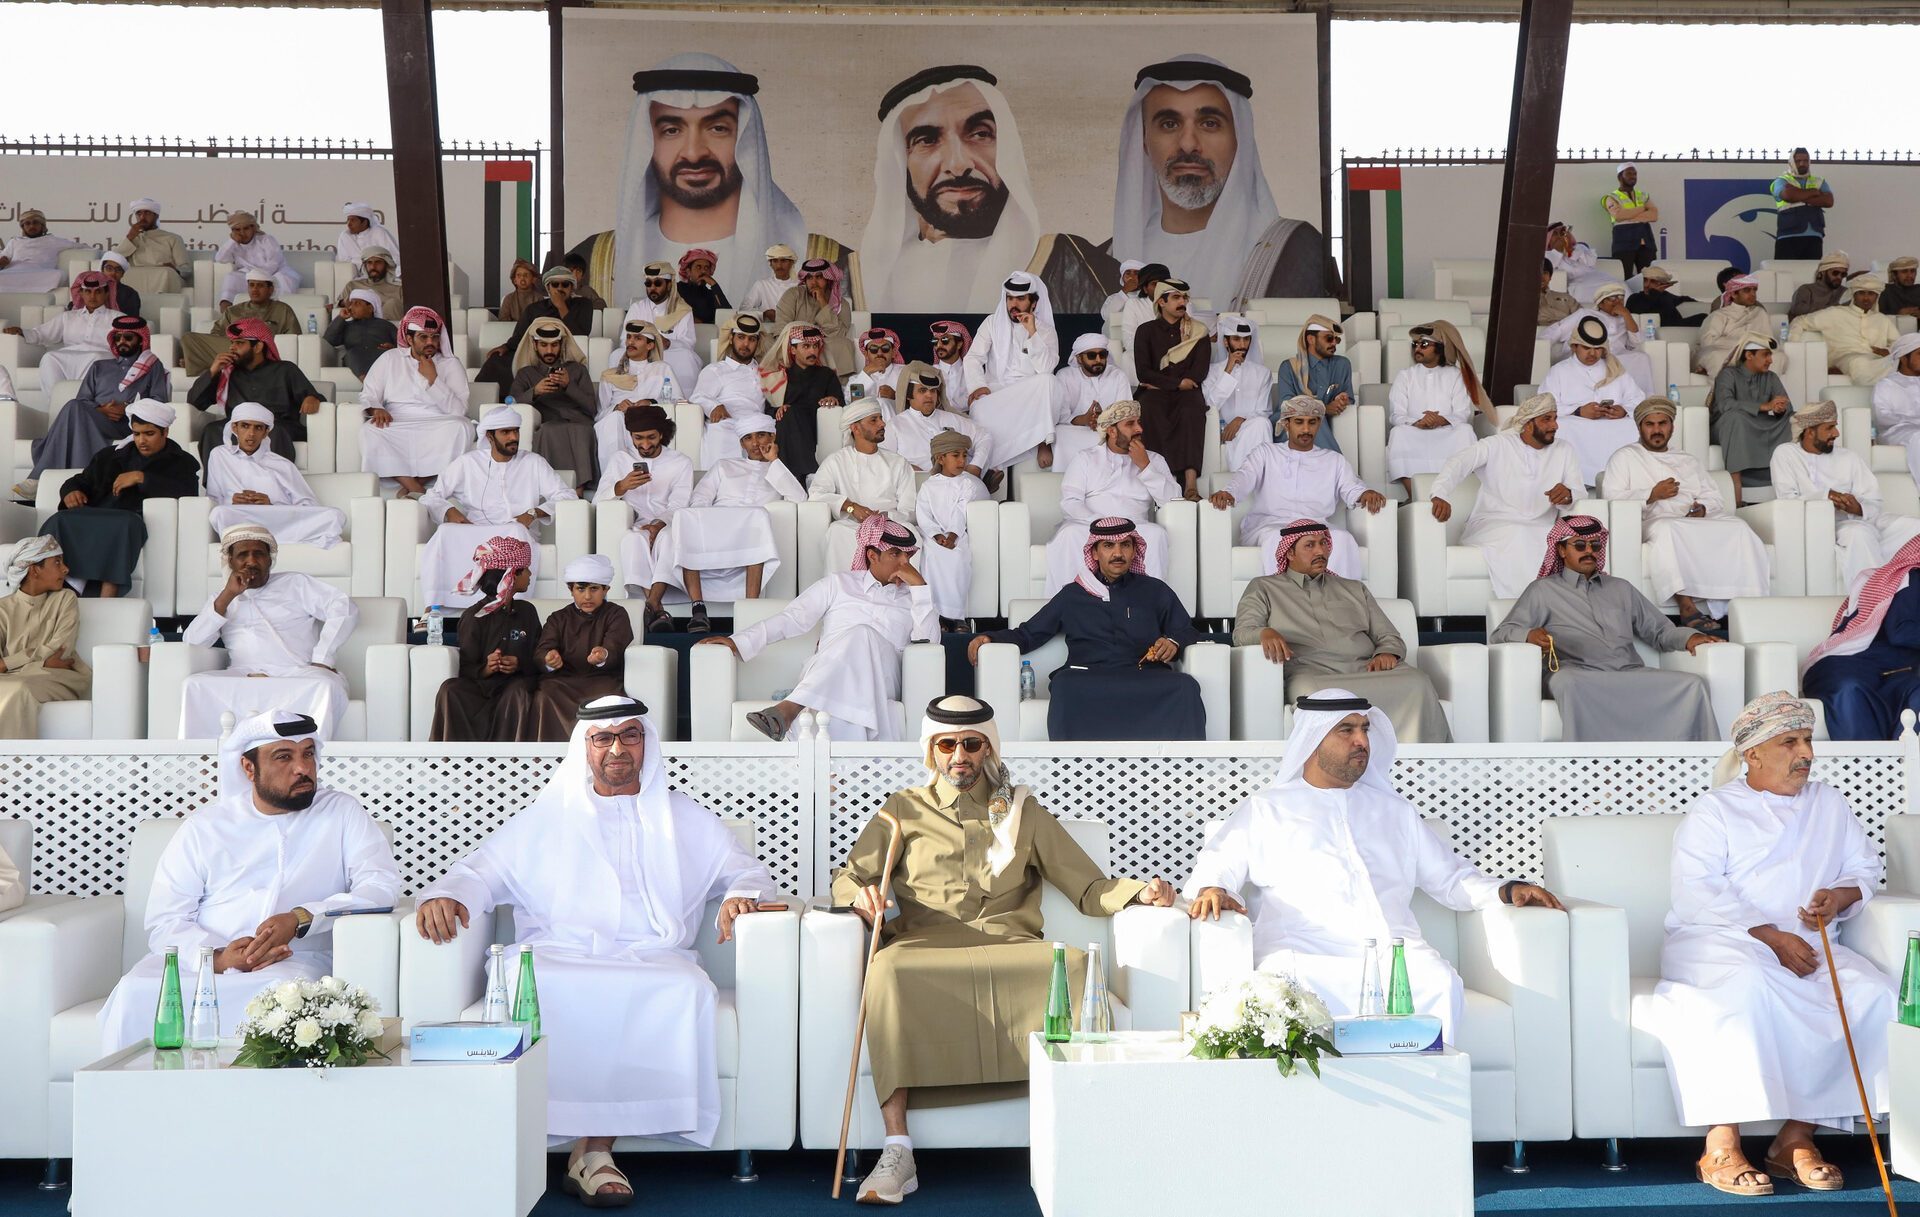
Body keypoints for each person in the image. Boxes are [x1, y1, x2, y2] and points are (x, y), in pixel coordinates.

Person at [415, 694, 779, 1204]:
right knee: (542, 984)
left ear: (646, 743)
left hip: (653, 957)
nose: (617, 749)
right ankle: (583, 1150)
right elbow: (478, 873)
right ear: (584, 748)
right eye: (603, 738)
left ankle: (592, 1149)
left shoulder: (684, 816)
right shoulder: (547, 816)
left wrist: (743, 895)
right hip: (558, 953)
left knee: (683, 988)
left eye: (630, 736)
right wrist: (448, 895)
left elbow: (748, 872)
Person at [831, 694, 1177, 1203]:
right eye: (947, 745)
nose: (959, 756)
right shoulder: (903, 809)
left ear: (989, 748)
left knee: (1073, 966)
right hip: (923, 946)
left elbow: (1087, 887)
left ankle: (1092, 1131)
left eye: (971, 744)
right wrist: (859, 896)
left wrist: (1140, 892)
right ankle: (898, 1148)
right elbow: (849, 876)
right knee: (887, 971)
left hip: (1011, 944)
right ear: (931, 750)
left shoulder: (1022, 811)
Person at [1186, 690, 1556, 1033]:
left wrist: (1507, 890)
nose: (1361, 741)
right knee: (1288, 986)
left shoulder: (1395, 812)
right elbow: (1219, 862)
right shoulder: (1268, 809)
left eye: (1364, 729)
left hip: (1392, 955)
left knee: (1438, 981)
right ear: (1313, 739)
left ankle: (1427, 1082)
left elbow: (1450, 879)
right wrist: (1213, 887)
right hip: (1305, 953)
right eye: (1346, 730)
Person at [1646, 692, 1889, 1196]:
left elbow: (1863, 868)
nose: (1806, 754)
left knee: (1874, 993)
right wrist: (1771, 936)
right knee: (1746, 985)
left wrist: (1838, 897)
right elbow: (1696, 890)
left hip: (1809, 941)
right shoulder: (1715, 809)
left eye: (1808, 740)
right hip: (1719, 939)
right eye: (1790, 743)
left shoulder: (1829, 803)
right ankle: (1721, 1142)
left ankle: (1796, 1137)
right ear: (1752, 753)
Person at [96, 710, 401, 1055]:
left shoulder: (341, 812)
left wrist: (301, 918)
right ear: (248, 768)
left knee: (281, 995)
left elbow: (380, 888)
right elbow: (165, 920)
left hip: (294, 960)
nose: (302, 768)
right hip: (201, 963)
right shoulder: (205, 827)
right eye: (284, 757)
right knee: (134, 991)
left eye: (308, 754)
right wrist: (218, 958)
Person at [1109, 54, 1333, 306]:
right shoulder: (1106, 259)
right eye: (1169, 124)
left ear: (1239, 139)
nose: (1188, 144)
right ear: (1144, 141)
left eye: (1209, 123)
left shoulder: (1290, 249)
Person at [589, 52, 809, 305]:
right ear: (648, 142)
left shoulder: (813, 251)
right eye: (671, 130)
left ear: (744, 140)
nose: (694, 154)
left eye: (718, 129)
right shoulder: (597, 256)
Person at [699, 513, 936, 741]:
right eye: (896, 554)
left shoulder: (913, 598)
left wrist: (920, 589)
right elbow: (792, 618)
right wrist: (739, 641)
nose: (905, 563)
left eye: (908, 555)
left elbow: (930, 644)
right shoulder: (839, 584)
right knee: (848, 675)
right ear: (872, 555)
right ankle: (841, 768)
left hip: (882, 678)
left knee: (862, 634)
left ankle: (790, 707)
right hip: (826, 670)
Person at [1488, 515, 1720, 741]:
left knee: (1693, 684)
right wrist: (1528, 635)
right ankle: (1589, 763)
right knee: (1568, 683)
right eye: (1580, 545)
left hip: (1627, 671)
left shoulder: (1621, 588)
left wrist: (1690, 638)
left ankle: (1697, 762)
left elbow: (1660, 631)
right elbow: (1501, 633)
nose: (1589, 551)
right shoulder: (1542, 590)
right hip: (1577, 672)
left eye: (1595, 545)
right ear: (1561, 550)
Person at [975, 516, 1204, 740]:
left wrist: (1173, 642)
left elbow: (1187, 630)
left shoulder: (1155, 591)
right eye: (1108, 546)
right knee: (1065, 686)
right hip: (1088, 677)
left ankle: (1183, 765)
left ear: (1135, 550)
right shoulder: (1072, 595)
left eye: (1125, 545)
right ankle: (1073, 765)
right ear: (1094, 552)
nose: (1118, 553)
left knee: (1185, 686)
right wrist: (990, 637)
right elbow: (1029, 634)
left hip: (1144, 675)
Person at [1233, 528, 1449, 742]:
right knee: (1311, 694)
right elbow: (1242, 632)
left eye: (1323, 543)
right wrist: (1264, 633)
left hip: (1366, 669)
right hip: (1313, 672)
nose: (1320, 551)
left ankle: (1421, 760)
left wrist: (1387, 653)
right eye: (1310, 545)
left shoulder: (1354, 589)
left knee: (1418, 682)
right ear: (1289, 553)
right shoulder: (1265, 587)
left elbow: (1388, 635)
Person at [860, 66, 1046, 313]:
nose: (959, 165)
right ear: (900, 163)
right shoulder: (850, 282)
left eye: (980, 134)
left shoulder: (1068, 266)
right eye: (927, 140)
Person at [1601, 398, 1770, 629]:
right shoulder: (1625, 457)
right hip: (1654, 520)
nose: (1657, 430)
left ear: (1672, 426)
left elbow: (1714, 497)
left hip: (1695, 520)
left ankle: (1749, 607)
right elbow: (1611, 497)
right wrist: (1651, 494)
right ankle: (1687, 607)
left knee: (1739, 527)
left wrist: (1703, 508)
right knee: (1669, 529)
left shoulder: (1688, 460)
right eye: (1650, 424)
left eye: (1663, 423)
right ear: (1639, 427)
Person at [178, 525, 357, 739]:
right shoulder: (222, 598)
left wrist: (323, 658)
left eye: (259, 554)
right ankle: (202, 756)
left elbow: (344, 607)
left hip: (296, 674)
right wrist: (228, 595)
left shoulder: (295, 583)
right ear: (230, 561)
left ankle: (307, 753)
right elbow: (192, 642)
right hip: (243, 674)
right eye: (243, 555)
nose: (251, 561)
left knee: (325, 685)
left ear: (270, 559)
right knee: (194, 685)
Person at [1208, 395, 1384, 580]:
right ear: (1286, 424)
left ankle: (1338, 597)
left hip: (1317, 526)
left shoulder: (1334, 460)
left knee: (1342, 538)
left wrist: (1365, 493)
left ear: (1319, 424)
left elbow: (1352, 487)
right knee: (1278, 538)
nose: (1306, 429)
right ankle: (1284, 597)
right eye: (1299, 422)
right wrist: (1229, 493)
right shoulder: (1266, 453)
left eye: (1312, 422)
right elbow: (1244, 477)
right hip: (1271, 524)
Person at [418, 408, 578, 610]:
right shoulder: (468, 463)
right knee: (444, 531)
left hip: (515, 531)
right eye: (506, 432)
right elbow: (431, 496)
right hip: (476, 532)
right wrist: (449, 511)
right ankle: (435, 607)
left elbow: (567, 495)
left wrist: (533, 513)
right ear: (490, 436)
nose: (514, 437)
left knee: (516, 530)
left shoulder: (533, 462)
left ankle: (509, 606)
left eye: (516, 431)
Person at [1429, 393, 1585, 600]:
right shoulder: (1497, 444)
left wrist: (1568, 495)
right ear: (1528, 424)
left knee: (1553, 540)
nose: (1555, 425)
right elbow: (1458, 463)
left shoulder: (1564, 449)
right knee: (1519, 533)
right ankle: (1525, 605)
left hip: (1543, 525)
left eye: (1555, 418)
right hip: (1494, 524)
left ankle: (1550, 606)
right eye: (1546, 419)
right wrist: (1439, 493)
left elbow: (1579, 491)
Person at [43, 400, 199, 597]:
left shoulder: (182, 461)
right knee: (60, 520)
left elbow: (187, 492)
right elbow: (81, 480)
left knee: (123, 523)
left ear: (165, 432)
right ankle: (49, 588)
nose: (142, 440)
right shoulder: (111, 455)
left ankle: (106, 597)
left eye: (149, 434)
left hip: (132, 518)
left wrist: (142, 478)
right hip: (97, 513)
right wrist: (70, 491)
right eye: (137, 434)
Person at [664, 416, 805, 619]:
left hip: (751, 530)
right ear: (741, 443)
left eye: (761, 435)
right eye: (748, 438)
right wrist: (706, 521)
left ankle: (751, 607)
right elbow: (700, 498)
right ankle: (698, 608)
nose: (755, 443)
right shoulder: (724, 465)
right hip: (716, 525)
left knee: (756, 516)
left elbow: (799, 498)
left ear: (772, 437)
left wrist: (774, 461)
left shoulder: (779, 470)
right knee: (683, 516)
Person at [17, 316, 169, 500]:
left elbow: (159, 400)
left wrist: (127, 408)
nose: (122, 341)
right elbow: (83, 399)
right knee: (74, 407)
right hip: (97, 417)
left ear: (140, 339)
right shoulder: (99, 367)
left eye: (128, 337)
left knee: (74, 410)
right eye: (117, 337)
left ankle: (38, 478)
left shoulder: (153, 367)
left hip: (129, 424)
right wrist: (101, 410)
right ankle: (78, 484)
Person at [1773, 400, 1920, 591]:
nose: (1836, 433)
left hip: (1863, 519)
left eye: (1835, 426)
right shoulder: (1786, 454)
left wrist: (1857, 507)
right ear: (1809, 432)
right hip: (1827, 527)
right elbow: (1787, 500)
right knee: (1859, 534)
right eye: (1829, 428)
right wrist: (1827, 496)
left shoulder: (1848, 457)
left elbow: (1873, 499)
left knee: (1914, 527)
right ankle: (1873, 595)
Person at [1046, 400, 1180, 595]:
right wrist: (1100, 524)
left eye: (1139, 422)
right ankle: (1067, 604)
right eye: (1130, 424)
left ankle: (1148, 606)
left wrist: (1146, 467)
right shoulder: (1085, 458)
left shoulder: (1154, 460)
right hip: (1090, 526)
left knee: (1155, 534)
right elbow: (1070, 502)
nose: (1139, 429)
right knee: (1069, 534)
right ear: (1112, 431)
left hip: (1135, 528)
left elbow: (1174, 501)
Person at [1803, 536, 1920, 739]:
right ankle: (1870, 762)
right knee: (1850, 690)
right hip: (1847, 667)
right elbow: (1900, 631)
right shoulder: (1913, 577)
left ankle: (1903, 760)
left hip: (1895, 677)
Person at [429, 536, 542, 742]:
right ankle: (452, 758)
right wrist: (487, 668)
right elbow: (466, 666)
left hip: (515, 685)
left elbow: (538, 656)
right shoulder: (473, 616)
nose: (530, 574)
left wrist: (518, 664)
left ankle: (509, 758)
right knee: (450, 689)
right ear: (512, 575)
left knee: (519, 692)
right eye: (525, 569)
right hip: (480, 687)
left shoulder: (527, 612)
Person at [595, 404, 694, 632]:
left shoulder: (680, 462)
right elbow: (598, 501)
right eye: (638, 438)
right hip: (635, 523)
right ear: (630, 435)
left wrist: (659, 524)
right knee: (632, 540)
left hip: (668, 522)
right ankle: (657, 607)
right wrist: (621, 487)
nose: (645, 445)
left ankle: (651, 604)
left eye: (651, 437)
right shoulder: (620, 459)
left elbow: (679, 503)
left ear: (662, 434)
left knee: (668, 539)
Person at [358, 307, 471, 498]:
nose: (430, 342)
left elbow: (459, 411)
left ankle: (414, 485)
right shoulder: (390, 358)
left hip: (439, 420)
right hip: (396, 420)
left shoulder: (450, 363)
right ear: (409, 339)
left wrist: (433, 380)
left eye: (435, 337)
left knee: (461, 427)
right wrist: (376, 408)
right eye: (423, 337)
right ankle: (416, 488)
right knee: (369, 431)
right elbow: (368, 393)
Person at [205, 403, 345, 549]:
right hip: (240, 517)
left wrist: (271, 505)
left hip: (275, 518)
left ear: (266, 432)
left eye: (258, 428)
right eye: (245, 426)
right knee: (219, 513)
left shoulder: (283, 465)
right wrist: (232, 501)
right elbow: (213, 498)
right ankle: (276, 537)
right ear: (235, 428)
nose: (251, 433)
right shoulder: (219, 455)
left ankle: (259, 538)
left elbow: (309, 505)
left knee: (334, 515)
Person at [187, 319, 323, 466]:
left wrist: (312, 398)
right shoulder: (227, 373)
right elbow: (195, 403)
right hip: (239, 426)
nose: (232, 348)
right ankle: (217, 481)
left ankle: (275, 479)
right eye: (232, 343)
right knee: (211, 430)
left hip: (276, 424)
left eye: (239, 343)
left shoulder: (285, 370)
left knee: (275, 432)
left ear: (258, 346)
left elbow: (313, 396)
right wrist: (212, 371)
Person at [962, 272, 1060, 475]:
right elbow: (973, 358)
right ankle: (992, 468)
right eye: (1010, 298)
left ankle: (1043, 439)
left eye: (1020, 299)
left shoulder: (1045, 331)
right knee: (979, 409)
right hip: (997, 393)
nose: (1013, 304)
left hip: (1029, 396)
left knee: (1048, 380)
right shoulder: (991, 323)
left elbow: (1046, 368)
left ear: (1034, 303)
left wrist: (1032, 333)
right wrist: (978, 386)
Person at [529, 555, 634, 741]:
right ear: (571, 590)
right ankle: (550, 755)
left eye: (594, 588)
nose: (587, 596)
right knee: (544, 694)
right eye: (580, 588)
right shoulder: (558, 618)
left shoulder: (616, 614)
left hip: (602, 680)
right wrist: (549, 659)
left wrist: (603, 655)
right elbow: (542, 650)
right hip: (563, 682)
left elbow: (616, 644)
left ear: (605, 589)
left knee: (610, 698)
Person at [809, 398, 918, 575]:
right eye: (874, 420)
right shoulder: (836, 461)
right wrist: (851, 507)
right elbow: (815, 495)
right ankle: (843, 591)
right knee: (836, 532)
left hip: (891, 526)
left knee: (912, 533)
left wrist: (884, 518)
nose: (882, 424)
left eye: (881, 418)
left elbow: (910, 510)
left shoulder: (899, 463)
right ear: (856, 428)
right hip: (852, 527)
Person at [1384, 321, 1490, 494]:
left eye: (1424, 344)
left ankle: (1456, 493)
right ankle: (1415, 495)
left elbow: (1462, 413)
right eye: (1415, 344)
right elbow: (1396, 415)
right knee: (1398, 433)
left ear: (1440, 348)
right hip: (1414, 431)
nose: (1418, 348)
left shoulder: (1456, 375)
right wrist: (1418, 422)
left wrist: (1441, 420)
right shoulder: (1405, 375)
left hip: (1447, 431)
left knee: (1465, 431)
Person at [1537, 315, 1643, 487]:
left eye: (1598, 349)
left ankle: (1619, 482)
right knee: (1563, 427)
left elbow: (1638, 399)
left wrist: (1624, 410)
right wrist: (1578, 411)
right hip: (1576, 426)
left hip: (1612, 425)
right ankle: (1575, 483)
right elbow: (1543, 406)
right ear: (1574, 347)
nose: (1592, 354)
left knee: (1633, 426)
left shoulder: (1614, 369)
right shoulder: (1559, 371)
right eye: (1586, 348)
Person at [0, 536, 89, 738]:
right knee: (15, 686)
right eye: (57, 562)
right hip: (24, 674)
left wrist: (9, 663)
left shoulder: (65, 599)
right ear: (34, 570)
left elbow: (61, 649)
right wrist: (40, 661)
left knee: (18, 688)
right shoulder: (3, 609)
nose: (65, 569)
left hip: (57, 676)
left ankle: (15, 758)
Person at [1132, 277, 1212, 496]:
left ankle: (1190, 484)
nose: (1182, 302)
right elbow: (1143, 372)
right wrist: (1176, 383)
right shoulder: (1145, 331)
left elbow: (1199, 372)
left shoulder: (1199, 331)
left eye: (1184, 297)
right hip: (1158, 393)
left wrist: (1166, 383)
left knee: (1191, 410)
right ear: (1161, 301)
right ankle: (1159, 482)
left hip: (1187, 392)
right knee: (1150, 409)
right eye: (1176, 297)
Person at [509, 318, 599, 487]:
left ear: (561, 345)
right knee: (550, 430)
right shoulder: (526, 373)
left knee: (581, 431)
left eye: (554, 345)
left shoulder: (577, 370)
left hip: (579, 422)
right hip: (548, 421)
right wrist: (534, 392)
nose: (549, 350)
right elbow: (511, 403)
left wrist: (569, 385)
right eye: (544, 345)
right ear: (535, 345)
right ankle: (554, 488)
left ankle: (578, 490)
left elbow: (592, 408)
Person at [481, 266, 595, 395]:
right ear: (548, 288)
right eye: (555, 284)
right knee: (496, 361)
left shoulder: (583, 304)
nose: (560, 288)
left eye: (565, 284)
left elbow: (580, 333)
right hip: (534, 353)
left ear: (572, 287)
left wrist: (561, 306)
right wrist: (505, 347)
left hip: (564, 353)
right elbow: (520, 336)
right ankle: (504, 400)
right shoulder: (534, 308)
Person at [917, 429, 990, 631]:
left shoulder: (967, 484)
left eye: (965, 456)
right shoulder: (928, 486)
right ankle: (938, 616)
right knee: (931, 558)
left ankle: (957, 616)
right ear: (941, 458)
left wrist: (952, 536)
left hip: (957, 536)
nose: (962, 461)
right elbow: (923, 515)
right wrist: (936, 535)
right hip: (932, 537)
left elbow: (961, 512)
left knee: (958, 559)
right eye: (956, 456)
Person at [1706, 334, 1792, 506]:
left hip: (1758, 424)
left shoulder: (1771, 377)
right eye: (1765, 355)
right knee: (1736, 418)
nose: (1770, 360)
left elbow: (1786, 406)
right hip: (1726, 426)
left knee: (1793, 419)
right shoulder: (1728, 374)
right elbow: (1725, 404)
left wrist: (1779, 409)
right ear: (1749, 355)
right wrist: (1765, 406)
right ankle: (1736, 498)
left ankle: (1790, 489)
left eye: (1770, 355)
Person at [179, 270, 303, 378]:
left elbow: (294, 336)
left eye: (260, 286)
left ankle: (197, 363)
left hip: (260, 351)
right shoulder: (233, 311)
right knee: (188, 337)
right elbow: (216, 335)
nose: (255, 289)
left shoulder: (282, 310)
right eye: (251, 285)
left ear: (270, 289)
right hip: (233, 348)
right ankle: (206, 363)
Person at [761, 322, 843, 483]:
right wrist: (778, 409)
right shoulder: (780, 376)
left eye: (815, 346)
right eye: (806, 346)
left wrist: (833, 399)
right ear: (793, 350)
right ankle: (809, 474)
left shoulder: (826, 374)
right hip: (787, 427)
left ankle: (795, 478)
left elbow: (840, 401)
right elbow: (768, 410)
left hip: (817, 425)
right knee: (789, 414)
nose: (813, 351)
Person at [3, 270, 117, 386]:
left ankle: (83, 396)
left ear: (106, 294)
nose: (92, 296)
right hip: (70, 356)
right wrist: (22, 332)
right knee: (49, 357)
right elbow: (42, 334)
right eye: (88, 291)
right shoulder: (68, 317)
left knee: (97, 358)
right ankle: (57, 396)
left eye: (98, 292)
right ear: (81, 293)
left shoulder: (117, 318)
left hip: (100, 357)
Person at [690, 313, 767, 469]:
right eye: (741, 337)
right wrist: (715, 406)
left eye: (752, 339)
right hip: (728, 422)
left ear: (757, 343)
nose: (746, 344)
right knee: (722, 432)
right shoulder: (716, 369)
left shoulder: (766, 372)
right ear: (731, 339)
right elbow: (698, 396)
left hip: (758, 423)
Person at [1545, 283, 1654, 392]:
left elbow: (1636, 341)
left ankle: (1644, 398)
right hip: (1590, 354)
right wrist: (1542, 345)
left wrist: (1626, 315)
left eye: (1621, 297)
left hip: (1618, 355)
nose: (1617, 301)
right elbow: (1559, 329)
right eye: (1612, 298)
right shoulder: (1585, 313)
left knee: (1642, 358)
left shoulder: (1625, 318)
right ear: (1600, 303)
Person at [885, 363, 989, 476]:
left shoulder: (951, 418)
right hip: (918, 483)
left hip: (958, 482)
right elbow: (885, 461)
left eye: (933, 391)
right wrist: (907, 468)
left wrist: (976, 465)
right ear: (909, 395)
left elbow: (984, 437)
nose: (929, 395)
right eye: (922, 390)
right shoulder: (895, 425)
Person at [1791, 276, 1898, 386]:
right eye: (1861, 293)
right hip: (1846, 358)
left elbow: (1899, 344)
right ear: (1854, 295)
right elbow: (1800, 321)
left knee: (1898, 364)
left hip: (1878, 360)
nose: (1866, 298)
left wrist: (1888, 351)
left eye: (1871, 294)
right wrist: (1793, 344)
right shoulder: (1835, 313)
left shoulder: (1882, 319)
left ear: (1876, 297)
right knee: (1860, 362)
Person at [1204, 314, 1277, 475]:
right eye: (1236, 339)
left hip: (1251, 429)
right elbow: (1210, 405)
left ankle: (1245, 478)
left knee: (1262, 423)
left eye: (1246, 339)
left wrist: (1240, 420)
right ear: (1226, 342)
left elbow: (1264, 411)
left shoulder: (1262, 373)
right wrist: (1228, 372)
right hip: (1220, 432)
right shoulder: (1211, 372)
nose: (1242, 345)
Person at [1048, 332, 1132, 472]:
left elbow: (1125, 413)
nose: (1098, 360)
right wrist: (1085, 419)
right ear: (1079, 358)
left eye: (1102, 355)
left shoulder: (1118, 376)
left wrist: (1103, 420)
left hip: (1108, 430)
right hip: (1073, 430)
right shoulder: (1065, 376)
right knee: (1060, 433)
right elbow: (1061, 416)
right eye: (1092, 355)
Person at [1272, 315, 1352, 455]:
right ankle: (1337, 464)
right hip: (1291, 423)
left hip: (1322, 422)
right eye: (1329, 338)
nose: (1334, 343)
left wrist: (1342, 400)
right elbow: (1287, 404)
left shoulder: (1342, 365)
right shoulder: (1289, 367)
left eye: (1337, 339)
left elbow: (1349, 398)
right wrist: (1324, 408)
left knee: (1314, 419)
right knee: (1311, 418)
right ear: (1311, 339)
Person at [626, 260, 706, 390]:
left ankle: (683, 400)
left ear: (669, 285)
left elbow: (688, 343)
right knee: (616, 355)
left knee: (687, 357)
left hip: (670, 355)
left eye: (658, 283)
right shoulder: (636, 308)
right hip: (642, 357)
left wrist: (668, 343)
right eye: (648, 283)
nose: (652, 288)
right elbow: (624, 340)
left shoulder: (683, 310)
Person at [772, 258, 854, 375]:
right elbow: (781, 328)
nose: (814, 282)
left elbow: (839, 334)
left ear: (828, 279)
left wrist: (823, 303)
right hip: (795, 345)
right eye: (809, 278)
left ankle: (840, 384)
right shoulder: (793, 295)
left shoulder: (841, 304)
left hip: (824, 346)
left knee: (843, 344)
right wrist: (800, 344)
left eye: (819, 277)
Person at [1695, 274, 1784, 375]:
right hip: (1727, 352)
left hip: (1753, 354)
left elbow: (1769, 340)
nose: (1753, 294)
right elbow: (1708, 341)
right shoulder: (1719, 315)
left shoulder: (1760, 313)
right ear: (1734, 294)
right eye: (1747, 290)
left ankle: (1764, 384)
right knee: (1717, 357)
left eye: (1754, 290)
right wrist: (1743, 344)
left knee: (1779, 357)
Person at [214, 212, 300, 304]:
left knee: (283, 280)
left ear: (253, 228)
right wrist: (232, 241)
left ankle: (281, 310)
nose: (242, 233)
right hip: (248, 276)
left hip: (274, 274)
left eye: (246, 228)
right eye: (237, 230)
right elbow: (220, 259)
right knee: (232, 277)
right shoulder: (233, 244)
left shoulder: (266, 239)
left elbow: (274, 264)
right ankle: (226, 309)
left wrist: (258, 277)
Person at [114, 197, 191, 295]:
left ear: (156, 216)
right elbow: (113, 260)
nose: (142, 217)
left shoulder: (172, 238)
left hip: (162, 276)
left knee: (166, 273)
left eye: (147, 213)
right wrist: (130, 237)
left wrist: (175, 268)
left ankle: (161, 301)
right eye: (139, 213)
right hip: (136, 276)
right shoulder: (131, 239)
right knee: (123, 275)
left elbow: (187, 270)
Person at [1770, 148, 1835, 261]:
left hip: (1814, 236)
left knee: (1811, 271)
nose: (1802, 164)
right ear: (1791, 162)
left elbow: (1828, 201)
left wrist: (1799, 196)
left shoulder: (1819, 181)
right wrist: (1814, 192)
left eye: (1805, 160)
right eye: (1798, 161)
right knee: (1785, 270)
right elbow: (1788, 196)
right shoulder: (1781, 180)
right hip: (1788, 235)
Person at [1874, 334, 1920, 486]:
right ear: (1904, 358)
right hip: (1896, 432)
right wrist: (1914, 420)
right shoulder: (1886, 385)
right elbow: (1882, 418)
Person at [322, 288, 397, 379]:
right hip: (356, 357)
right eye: (351, 304)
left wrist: (393, 348)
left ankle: (371, 383)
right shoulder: (346, 325)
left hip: (380, 355)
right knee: (352, 353)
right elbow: (328, 340)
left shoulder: (386, 325)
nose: (350, 307)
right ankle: (367, 381)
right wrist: (340, 318)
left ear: (370, 308)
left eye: (357, 304)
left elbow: (403, 345)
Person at [1602, 163, 1659, 276]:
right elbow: (1619, 216)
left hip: (1646, 242)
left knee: (1649, 278)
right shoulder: (1611, 197)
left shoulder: (1643, 195)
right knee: (1624, 277)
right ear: (1620, 177)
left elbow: (1654, 215)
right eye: (1628, 173)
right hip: (1623, 243)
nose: (1633, 176)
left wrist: (1628, 215)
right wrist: (1643, 208)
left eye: (1634, 174)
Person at [0, 208, 78, 292]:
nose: (32, 226)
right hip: (15, 272)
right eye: (27, 223)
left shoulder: (53, 240)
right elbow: (4, 257)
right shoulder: (14, 241)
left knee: (59, 274)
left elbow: (81, 246)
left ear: (42, 225)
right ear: (23, 227)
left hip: (39, 273)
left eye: (35, 223)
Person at [1545, 221, 1612, 304]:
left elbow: (1591, 262)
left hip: (1597, 278)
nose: (1560, 236)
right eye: (1555, 233)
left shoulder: (1579, 247)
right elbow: (1549, 267)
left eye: (1562, 232)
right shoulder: (1547, 255)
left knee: (1618, 286)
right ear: (1548, 239)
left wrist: (1572, 249)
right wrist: (1558, 251)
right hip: (1579, 284)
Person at [333, 247, 403, 321]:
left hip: (389, 327)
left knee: (392, 304)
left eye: (378, 262)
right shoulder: (353, 285)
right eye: (369, 262)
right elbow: (337, 305)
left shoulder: (399, 289)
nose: (373, 266)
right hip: (357, 326)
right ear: (365, 265)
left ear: (387, 265)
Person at [335, 202, 400, 279]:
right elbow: (343, 261)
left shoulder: (379, 232)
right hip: (358, 277)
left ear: (364, 222)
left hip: (383, 276)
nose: (349, 224)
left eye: (353, 220)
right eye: (348, 220)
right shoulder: (346, 235)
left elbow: (395, 258)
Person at [846, 326, 906, 404]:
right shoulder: (855, 380)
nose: (879, 353)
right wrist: (866, 372)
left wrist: (896, 396)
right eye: (873, 349)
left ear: (893, 352)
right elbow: (852, 403)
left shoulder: (905, 373)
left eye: (885, 348)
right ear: (866, 354)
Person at [740, 243, 798, 321]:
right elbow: (743, 310)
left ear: (792, 263)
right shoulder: (762, 285)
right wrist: (763, 314)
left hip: (792, 328)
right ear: (770, 264)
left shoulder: (800, 286)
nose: (779, 265)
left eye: (783, 261)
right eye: (775, 261)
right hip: (766, 328)